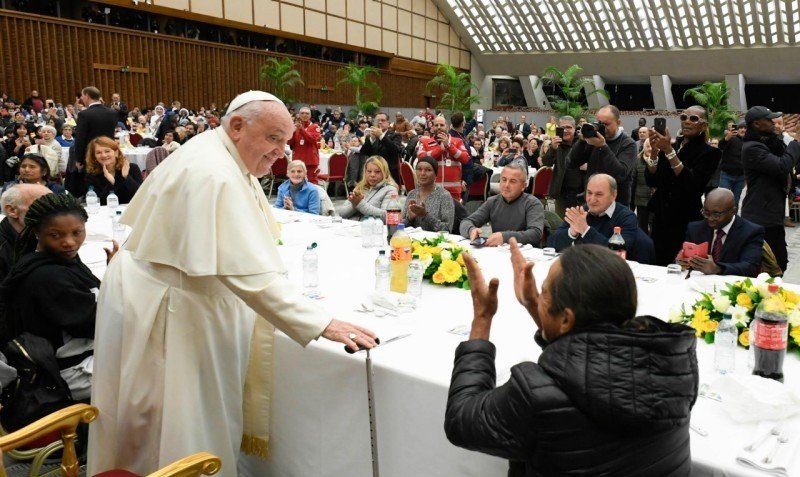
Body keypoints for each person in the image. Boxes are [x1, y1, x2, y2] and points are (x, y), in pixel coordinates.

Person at [88, 92, 377, 477]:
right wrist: (320, 323)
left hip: (170, 292)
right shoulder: (212, 171)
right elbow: (245, 274)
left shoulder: (223, 154)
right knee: (171, 422)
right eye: (273, 138)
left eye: (285, 142)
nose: (282, 152)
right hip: (168, 306)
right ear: (238, 126)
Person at [445, 239, 698, 476]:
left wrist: (482, 317)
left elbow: (462, 419)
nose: (539, 296)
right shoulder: (673, 363)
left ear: (566, 319)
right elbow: (586, 364)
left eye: (544, 293)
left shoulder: (536, 396)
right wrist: (536, 305)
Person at [1, 194, 118, 401]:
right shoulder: (48, 277)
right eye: (56, 235)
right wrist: (121, 281)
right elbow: (98, 325)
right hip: (70, 372)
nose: (69, 242)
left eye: (77, 232)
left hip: (75, 355)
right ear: (37, 232)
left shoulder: (54, 261)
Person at [646, 106, 721, 266]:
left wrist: (669, 152)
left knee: (679, 266)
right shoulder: (673, 145)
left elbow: (692, 184)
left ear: (703, 125)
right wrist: (654, 152)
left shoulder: (710, 153)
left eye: (693, 119)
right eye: (683, 117)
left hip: (684, 219)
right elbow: (652, 180)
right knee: (657, 263)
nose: (687, 122)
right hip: (660, 216)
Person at [741, 106, 800, 272]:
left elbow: (785, 157)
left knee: (779, 262)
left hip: (772, 213)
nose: (774, 122)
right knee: (768, 264)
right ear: (757, 124)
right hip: (760, 216)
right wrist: (797, 141)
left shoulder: (767, 141)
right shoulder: (752, 148)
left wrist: (779, 135)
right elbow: (782, 165)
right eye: (769, 120)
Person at [678, 188, 764, 277]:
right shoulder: (695, 228)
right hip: (698, 284)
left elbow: (750, 267)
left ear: (733, 211)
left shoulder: (751, 232)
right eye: (706, 212)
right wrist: (681, 262)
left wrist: (718, 268)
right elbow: (683, 259)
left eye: (716, 214)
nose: (710, 218)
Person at [547, 174, 638, 254]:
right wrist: (572, 232)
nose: (592, 199)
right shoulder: (581, 212)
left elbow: (616, 252)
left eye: (599, 194)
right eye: (589, 193)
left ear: (614, 195)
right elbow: (551, 244)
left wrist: (585, 230)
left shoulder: (627, 217)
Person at [460, 161, 544, 246]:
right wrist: (471, 230)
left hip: (526, 255)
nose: (506, 185)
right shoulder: (492, 202)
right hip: (499, 253)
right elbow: (466, 222)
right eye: (503, 180)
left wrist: (504, 237)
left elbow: (535, 234)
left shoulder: (533, 203)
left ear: (523, 186)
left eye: (513, 181)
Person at [566, 105, 637, 206]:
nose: (602, 128)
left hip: (616, 206)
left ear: (618, 123)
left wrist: (603, 147)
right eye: (599, 123)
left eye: (606, 124)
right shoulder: (593, 139)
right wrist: (582, 141)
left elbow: (620, 174)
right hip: (592, 203)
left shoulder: (628, 144)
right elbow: (570, 163)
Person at [68, 136, 142, 204]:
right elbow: (99, 203)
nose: (103, 155)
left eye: (107, 151)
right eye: (98, 152)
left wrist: (126, 177)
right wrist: (111, 183)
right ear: (94, 157)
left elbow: (141, 195)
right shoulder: (91, 175)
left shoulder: (132, 168)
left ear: (116, 152)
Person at [0, 183, 50, 281]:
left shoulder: (33, 236)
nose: (54, 212)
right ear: (12, 210)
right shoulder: (3, 248)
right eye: (43, 205)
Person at [417, 116, 469, 200]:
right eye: (436, 125)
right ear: (433, 128)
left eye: (442, 125)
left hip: (453, 193)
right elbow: (421, 158)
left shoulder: (458, 141)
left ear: (447, 127)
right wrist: (440, 149)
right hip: (431, 191)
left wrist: (449, 146)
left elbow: (465, 158)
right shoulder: (425, 142)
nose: (439, 127)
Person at [336, 155, 399, 222]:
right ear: (365, 172)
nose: (372, 175)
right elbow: (340, 214)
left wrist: (359, 204)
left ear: (385, 173)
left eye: (377, 172)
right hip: (351, 227)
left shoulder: (390, 190)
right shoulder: (360, 187)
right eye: (369, 171)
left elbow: (387, 217)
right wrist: (354, 206)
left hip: (372, 230)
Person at [69, 86, 117, 175]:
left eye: (82, 96)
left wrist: (79, 159)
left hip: (91, 155)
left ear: (87, 96)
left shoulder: (84, 114)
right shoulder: (112, 112)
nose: (82, 99)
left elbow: (80, 138)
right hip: (108, 152)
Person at [541, 116, 581, 218]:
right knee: (562, 225)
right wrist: (553, 148)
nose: (566, 130)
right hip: (562, 194)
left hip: (581, 193)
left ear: (574, 128)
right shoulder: (556, 145)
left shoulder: (583, 143)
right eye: (562, 128)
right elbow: (546, 163)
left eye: (569, 127)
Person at [402, 156, 454, 232]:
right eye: (419, 169)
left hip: (435, 242)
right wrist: (409, 219)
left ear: (435, 174)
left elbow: (447, 229)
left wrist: (425, 215)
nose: (422, 173)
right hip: (412, 240)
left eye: (428, 170)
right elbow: (401, 226)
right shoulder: (411, 194)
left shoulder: (444, 196)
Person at [360, 112, 403, 185]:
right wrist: (371, 140)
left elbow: (395, 150)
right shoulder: (370, 136)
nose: (379, 122)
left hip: (389, 174)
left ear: (388, 123)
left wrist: (381, 136)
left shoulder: (395, 135)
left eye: (382, 120)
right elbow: (363, 152)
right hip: (373, 175)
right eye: (377, 121)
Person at [287, 106, 321, 184]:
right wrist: (292, 132)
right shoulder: (295, 127)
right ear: (299, 114)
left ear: (310, 115)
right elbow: (289, 142)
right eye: (302, 113)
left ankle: (312, 196)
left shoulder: (315, 127)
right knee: (296, 181)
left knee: (312, 182)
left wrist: (301, 129)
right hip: (297, 160)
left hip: (310, 160)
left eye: (307, 113)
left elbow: (312, 139)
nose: (304, 115)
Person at [718, 120, 747, 208]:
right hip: (726, 175)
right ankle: (721, 219)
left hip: (741, 177)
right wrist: (727, 138)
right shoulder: (731, 138)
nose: (743, 130)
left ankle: (733, 220)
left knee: (736, 201)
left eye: (745, 128)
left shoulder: (748, 141)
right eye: (741, 128)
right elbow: (720, 146)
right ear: (737, 129)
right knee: (723, 199)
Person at [632, 138, 654, 233]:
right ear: (643, 147)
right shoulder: (637, 160)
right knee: (642, 228)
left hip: (656, 202)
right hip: (641, 201)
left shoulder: (662, 160)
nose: (650, 149)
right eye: (648, 146)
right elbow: (632, 181)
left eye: (652, 146)